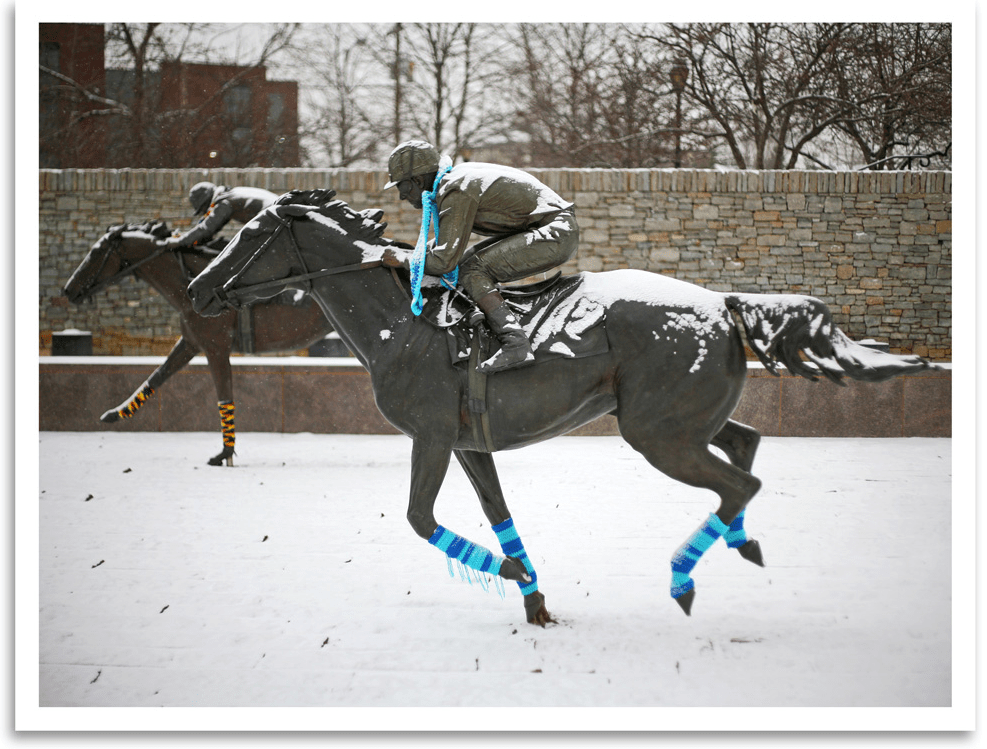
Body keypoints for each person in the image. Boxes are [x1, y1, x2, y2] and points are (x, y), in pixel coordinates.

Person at [381, 140, 579, 373]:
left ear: (417, 180)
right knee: (467, 263)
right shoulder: (454, 180)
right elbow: (448, 247)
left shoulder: (456, 189)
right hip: (550, 227)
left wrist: (403, 259)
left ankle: (515, 342)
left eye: (401, 186)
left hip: (557, 232)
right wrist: (416, 254)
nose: (401, 196)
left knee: (472, 270)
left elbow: (444, 261)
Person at [162, 182, 278, 249]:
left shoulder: (224, 202)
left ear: (207, 201)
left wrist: (179, 241)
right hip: (276, 215)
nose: (206, 212)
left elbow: (207, 229)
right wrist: (187, 237)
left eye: (204, 209)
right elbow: (212, 229)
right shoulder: (230, 194)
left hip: (274, 219)